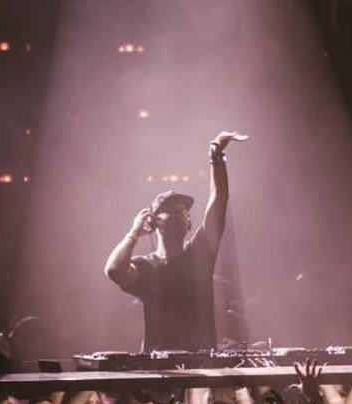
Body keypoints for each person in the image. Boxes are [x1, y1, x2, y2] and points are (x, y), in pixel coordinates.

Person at [104, 131, 247, 351]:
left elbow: (219, 200)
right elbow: (114, 270)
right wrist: (133, 232)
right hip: (158, 367)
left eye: (184, 211)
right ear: (154, 221)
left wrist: (216, 157)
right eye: (171, 209)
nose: (181, 213)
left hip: (201, 364)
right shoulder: (145, 267)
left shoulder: (199, 253)